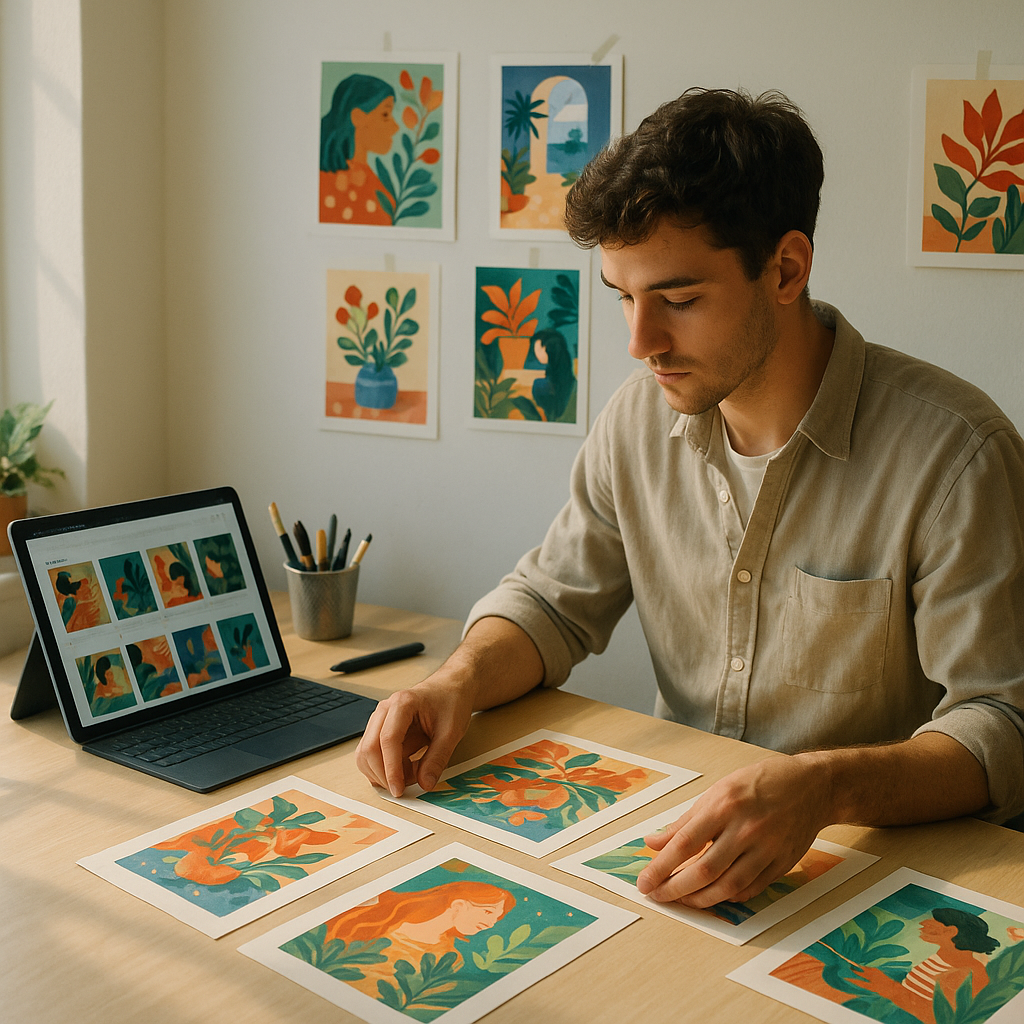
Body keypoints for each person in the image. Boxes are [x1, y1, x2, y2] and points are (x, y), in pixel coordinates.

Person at [356, 88, 1024, 909]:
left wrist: (820, 788)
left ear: (785, 269)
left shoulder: (958, 455)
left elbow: (1002, 727)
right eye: (624, 299)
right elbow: (551, 603)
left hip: (874, 876)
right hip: (684, 854)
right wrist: (454, 681)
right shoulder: (638, 416)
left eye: (677, 300)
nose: (641, 343)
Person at [845, 908, 998, 1022]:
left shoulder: (967, 973)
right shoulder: (941, 957)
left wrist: (890, 988)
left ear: (951, 931)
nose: (923, 923)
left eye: (934, 922)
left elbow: (940, 1017)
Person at [320, 73, 399, 224]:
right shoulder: (323, 182)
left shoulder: (376, 187)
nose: (395, 127)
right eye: (385, 114)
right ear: (357, 117)